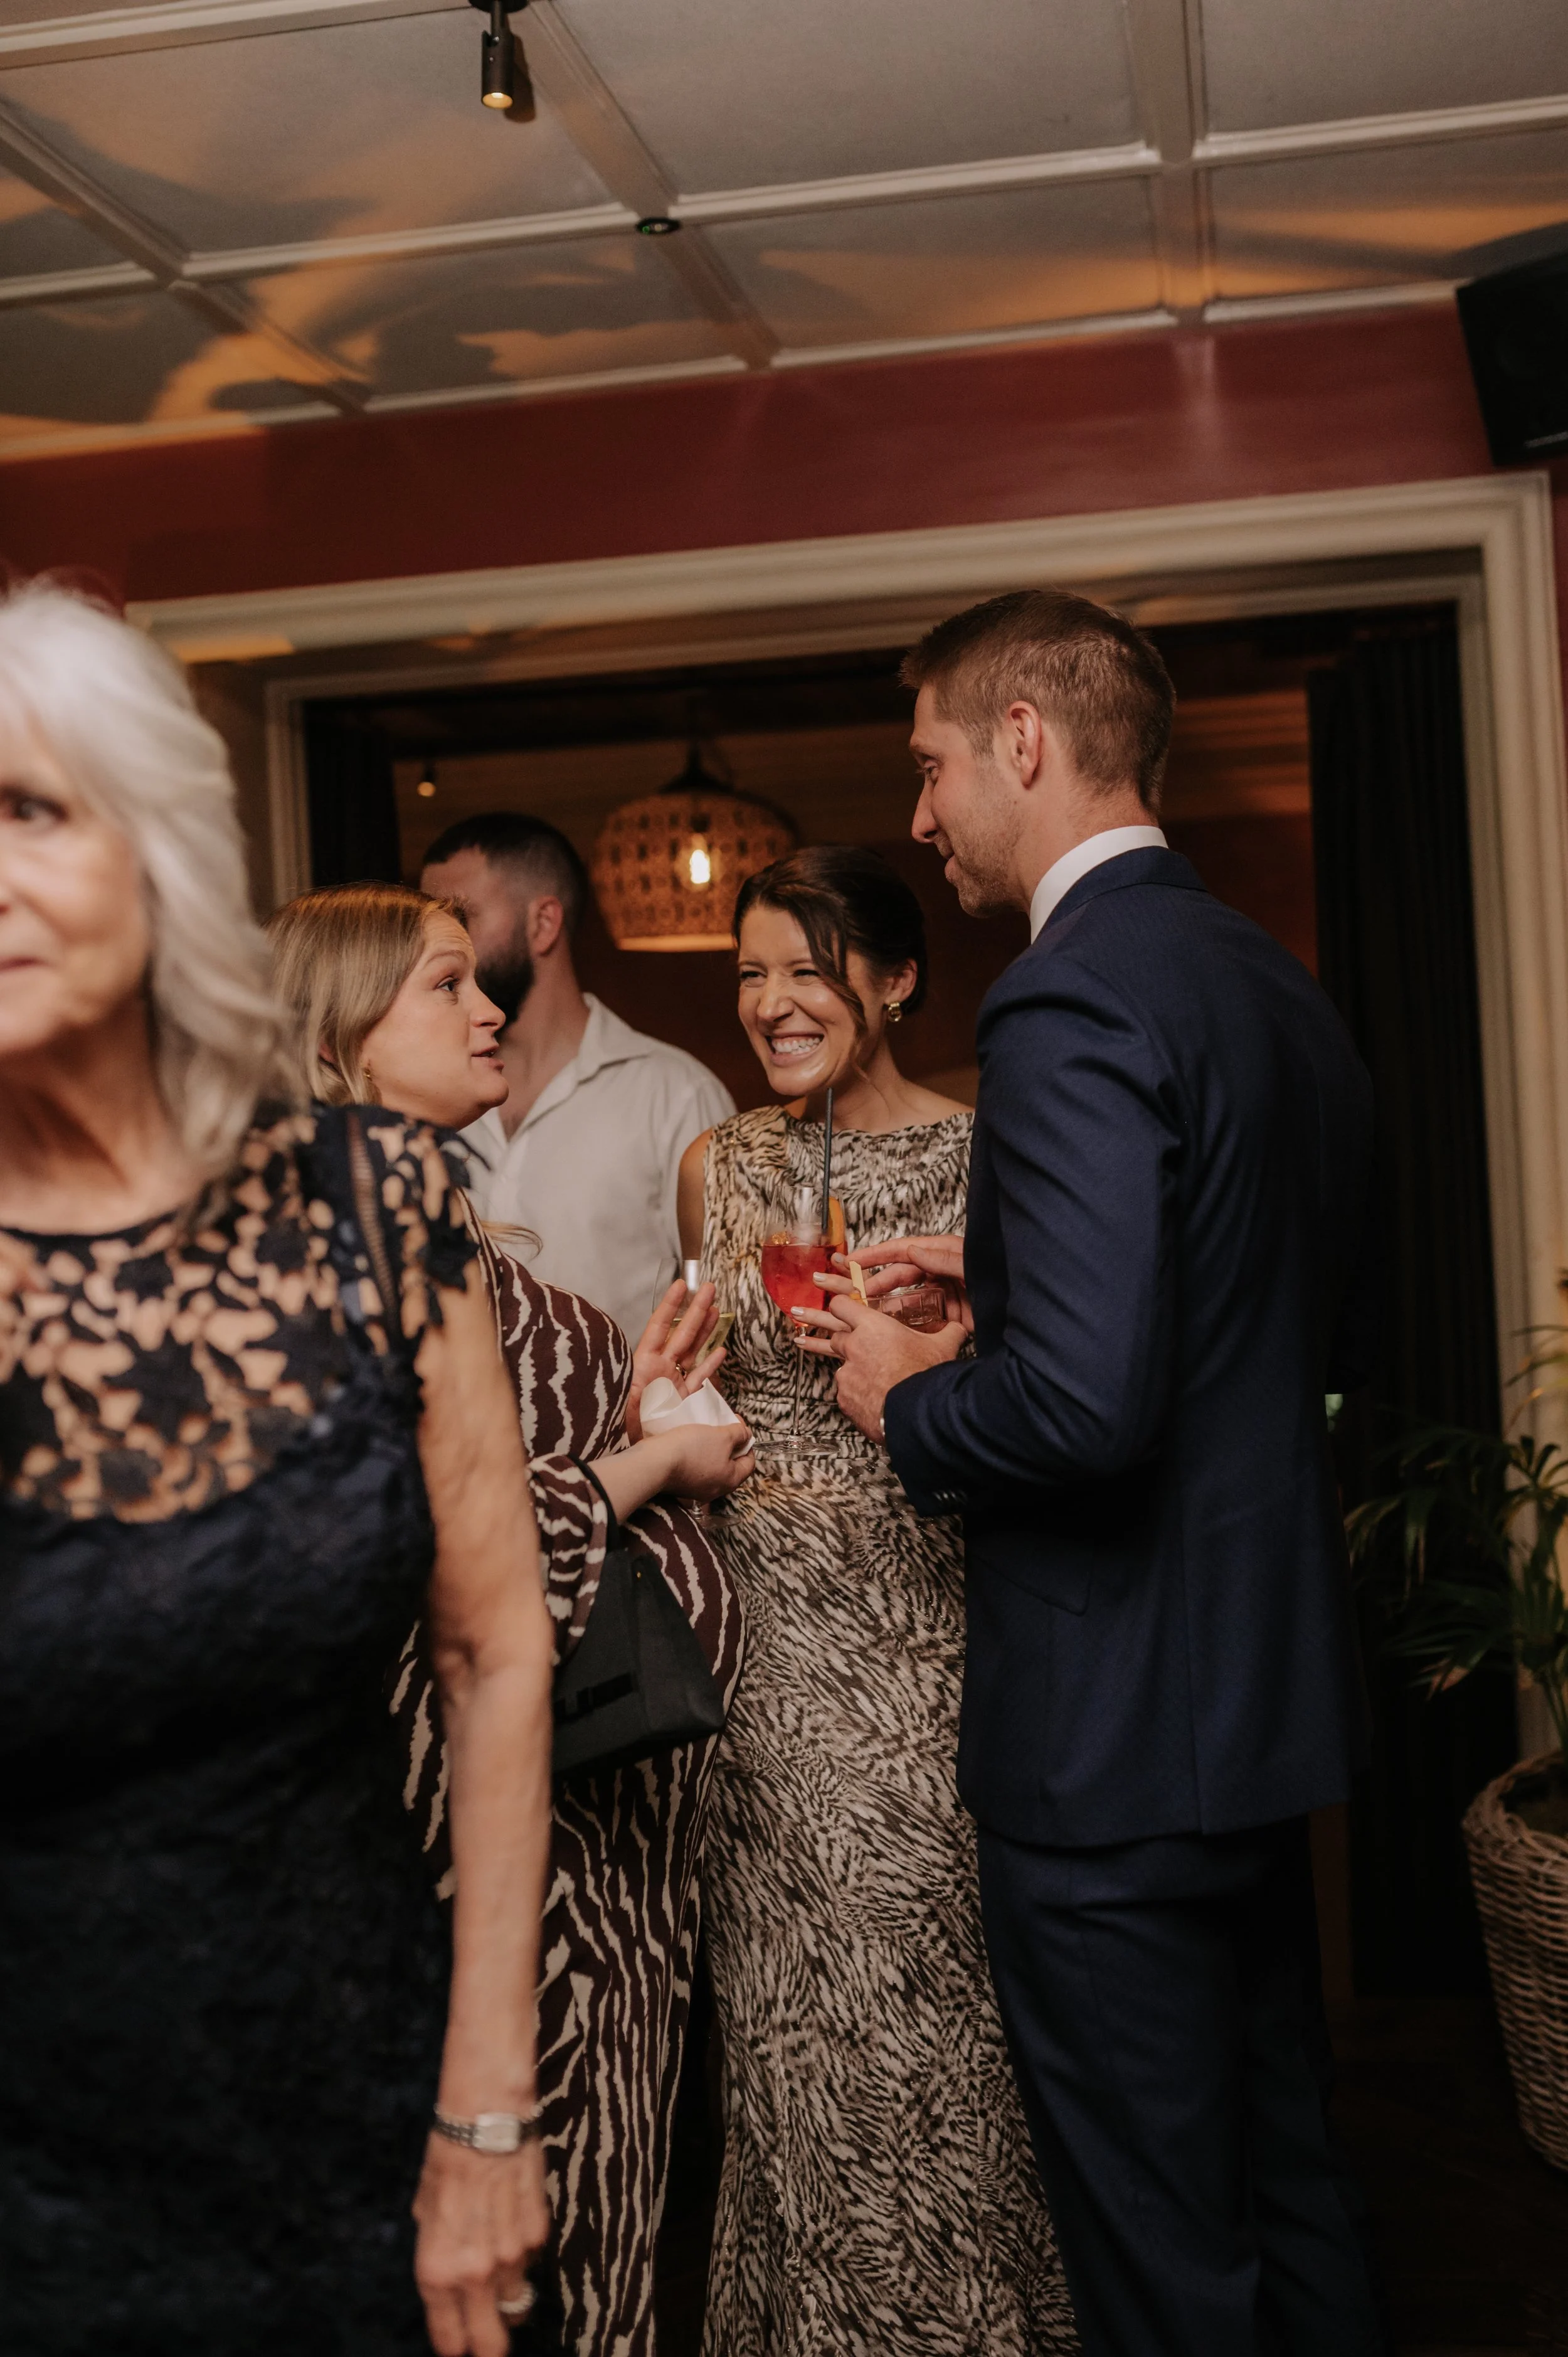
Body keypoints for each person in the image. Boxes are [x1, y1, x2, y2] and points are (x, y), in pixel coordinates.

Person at [806, 590, 1387, 2357]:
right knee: (1288, 2191)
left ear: (1025, 743)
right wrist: (1016, 1280)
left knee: (1159, 2255)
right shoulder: (1257, 978)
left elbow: (1077, 1414)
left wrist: (905, 1394)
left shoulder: (1063, 999)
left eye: (929, 766)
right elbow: (1259, 1297)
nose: (919, 817)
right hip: (1250, 1717)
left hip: (1107, 1742)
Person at [0, 584, 556, 2357]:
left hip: (368, 2123)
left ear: (157, 844)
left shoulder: (372, 1207)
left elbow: (495, 1648)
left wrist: (484, 2112)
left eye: (27, 808)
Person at [267, 880, 753, 2357]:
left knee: (597, 2249)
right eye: (439, 988)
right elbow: (413, 1571)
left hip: (608, 1864)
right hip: (466, 1870)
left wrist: (653, 1401)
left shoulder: (485, 1257)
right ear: (336, 1035)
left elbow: (556, 1489)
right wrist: (649, 1457)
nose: (491, 1008)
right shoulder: (302, 1281)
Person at [675, 845, 1074, 2356]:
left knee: (939, 2022)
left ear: (896, 978)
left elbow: (1054, 1400)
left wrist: (940, 1360)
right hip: (763, 1650)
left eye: (808, 966)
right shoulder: (719, 1165)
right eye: (750, 972)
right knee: (788, 2037)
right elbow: (705, 1390)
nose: (774, 1002)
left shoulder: (991, 1156)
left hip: (932, 1630)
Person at [421, 814, 734, 1343]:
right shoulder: (421, 1096)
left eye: (460, 917)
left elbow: (725, 1307)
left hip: (634, 1427)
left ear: (543, 923)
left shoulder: (675, 1096)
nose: (438, 941)